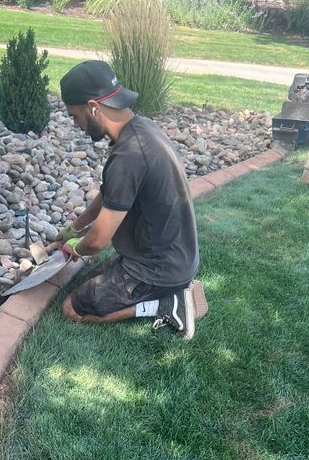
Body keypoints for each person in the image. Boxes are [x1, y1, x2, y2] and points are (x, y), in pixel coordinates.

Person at [57, 60, 207, 340]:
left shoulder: (129, 156)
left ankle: (164, 305)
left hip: (157, 267)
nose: (75, 124)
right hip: (171, 254)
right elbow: (109, 195)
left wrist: (74, 248)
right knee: (89, 283)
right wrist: (73, 229)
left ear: (93, 107)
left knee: (72, 308)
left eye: (74, 115)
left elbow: (98, 241)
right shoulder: (142, 128)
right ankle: (172, 291)